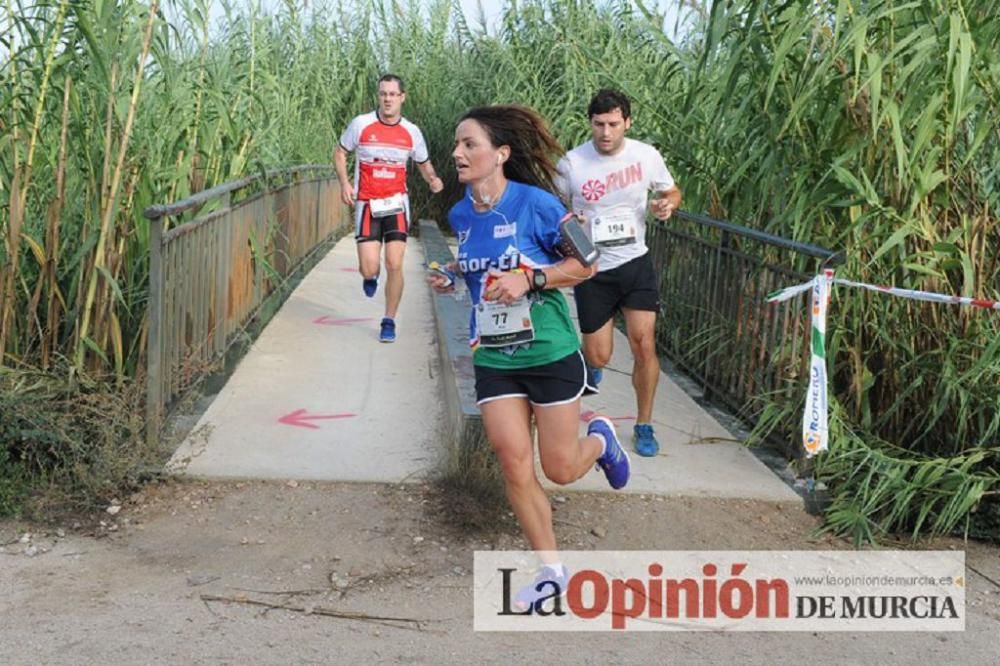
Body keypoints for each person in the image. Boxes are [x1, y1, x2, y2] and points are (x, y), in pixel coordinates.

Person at [429, 105, 631, 609]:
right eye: (457, 144)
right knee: (513, 462)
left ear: (500, 154)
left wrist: (533, 278)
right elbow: (477, 265)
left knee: (559, 469)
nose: (457, 152)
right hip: (495, 357)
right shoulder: (458, 213)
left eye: (468, 144)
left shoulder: (538, 205)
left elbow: (586, 261)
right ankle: (553, 572)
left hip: (549, 351)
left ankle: (600, 440)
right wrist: (452, 275)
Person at [554, 88, 682, 458]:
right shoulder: (573, 163)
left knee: (644, 343)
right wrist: (569, 223)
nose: (606, 133)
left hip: (635, 263)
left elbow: (672, 192)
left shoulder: (646, 155)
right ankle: (590, 367)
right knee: (600, 356)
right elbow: (554, 209)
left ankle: (644, 423)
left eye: (613, 124)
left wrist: (665, 206)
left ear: (627, 121)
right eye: (598, 125)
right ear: (590, 124)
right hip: (592, 269)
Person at [334, 73, 444, 343]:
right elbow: (340, 152)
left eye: (393, 94)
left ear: (402, 98)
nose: (388, 99)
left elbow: (422, 162)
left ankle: (389, 320)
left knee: (395, 263)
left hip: (396, 204)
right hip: (368, 205)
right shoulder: (361, 124)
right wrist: (345, 184)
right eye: (383, 94)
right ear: (378, 96)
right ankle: (370, 277)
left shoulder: (412, 131)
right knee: (369, 268)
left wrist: (432, 179)